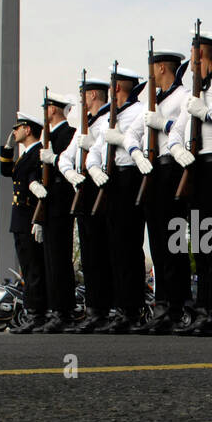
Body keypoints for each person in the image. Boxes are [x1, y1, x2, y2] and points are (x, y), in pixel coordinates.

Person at [167, 29, 212, 336]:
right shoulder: (195, 90)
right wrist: (178, 150)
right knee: (201, 243)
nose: (191, 62)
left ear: (202, 54)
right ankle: (205, 307)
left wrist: (206, 111)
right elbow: (176, 131)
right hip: (195, 168)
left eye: (193, 55)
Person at [87, 65, 152, 334]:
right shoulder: (110, 117)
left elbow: (143, 142)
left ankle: (131, 308)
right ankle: (120, 306)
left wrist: (122, 139)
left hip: (130, 176)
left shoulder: (138, 111)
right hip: (110, 179)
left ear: (117, 87)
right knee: (114, 247)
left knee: (128, 246)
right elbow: (97, 148)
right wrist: (93, 167)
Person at [137, 53, 196, 334]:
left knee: (173, 240)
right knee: (157, 241)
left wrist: (163, 123)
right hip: (154, 172)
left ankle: (176, 304)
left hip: (173, 168)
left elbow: (185, 134)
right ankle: (162, 302)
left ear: (161, 67)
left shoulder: (182, 96)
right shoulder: (156, 102)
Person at [58, 76, 114, 332]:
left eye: (84, 94)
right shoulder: (85, 125)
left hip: (102, 189)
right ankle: (94, 309)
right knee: (90, 255)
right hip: (84, 190)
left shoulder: (106, 121)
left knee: (104, 252)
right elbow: (64, 158)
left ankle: (106, 308)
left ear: (93, 95)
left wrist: (92, 146)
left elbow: (107, 152)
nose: (81, 100)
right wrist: (71, 174)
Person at [36, 93, 79, 333]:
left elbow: (68, 166)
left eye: (47, 107)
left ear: (54, 110)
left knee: (60, 258)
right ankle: (56, 308)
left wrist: (54, 159)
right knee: (51, 259)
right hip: (49, 203)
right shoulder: (49, 136)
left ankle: (64, 310)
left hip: (62, 202)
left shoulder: (67, 134)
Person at [2, 116, 49, 332]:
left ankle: (37, 313)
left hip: (30, 215)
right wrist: (7, 148)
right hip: (19, 217)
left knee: (34, 268)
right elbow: (6, 171)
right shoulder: (24, 156)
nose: (14, 132)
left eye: (17, 128)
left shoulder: (38, 153)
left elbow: (37, 183)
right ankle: (32, 312)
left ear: (27, 129)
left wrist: (38, 219)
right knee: (27, 267)